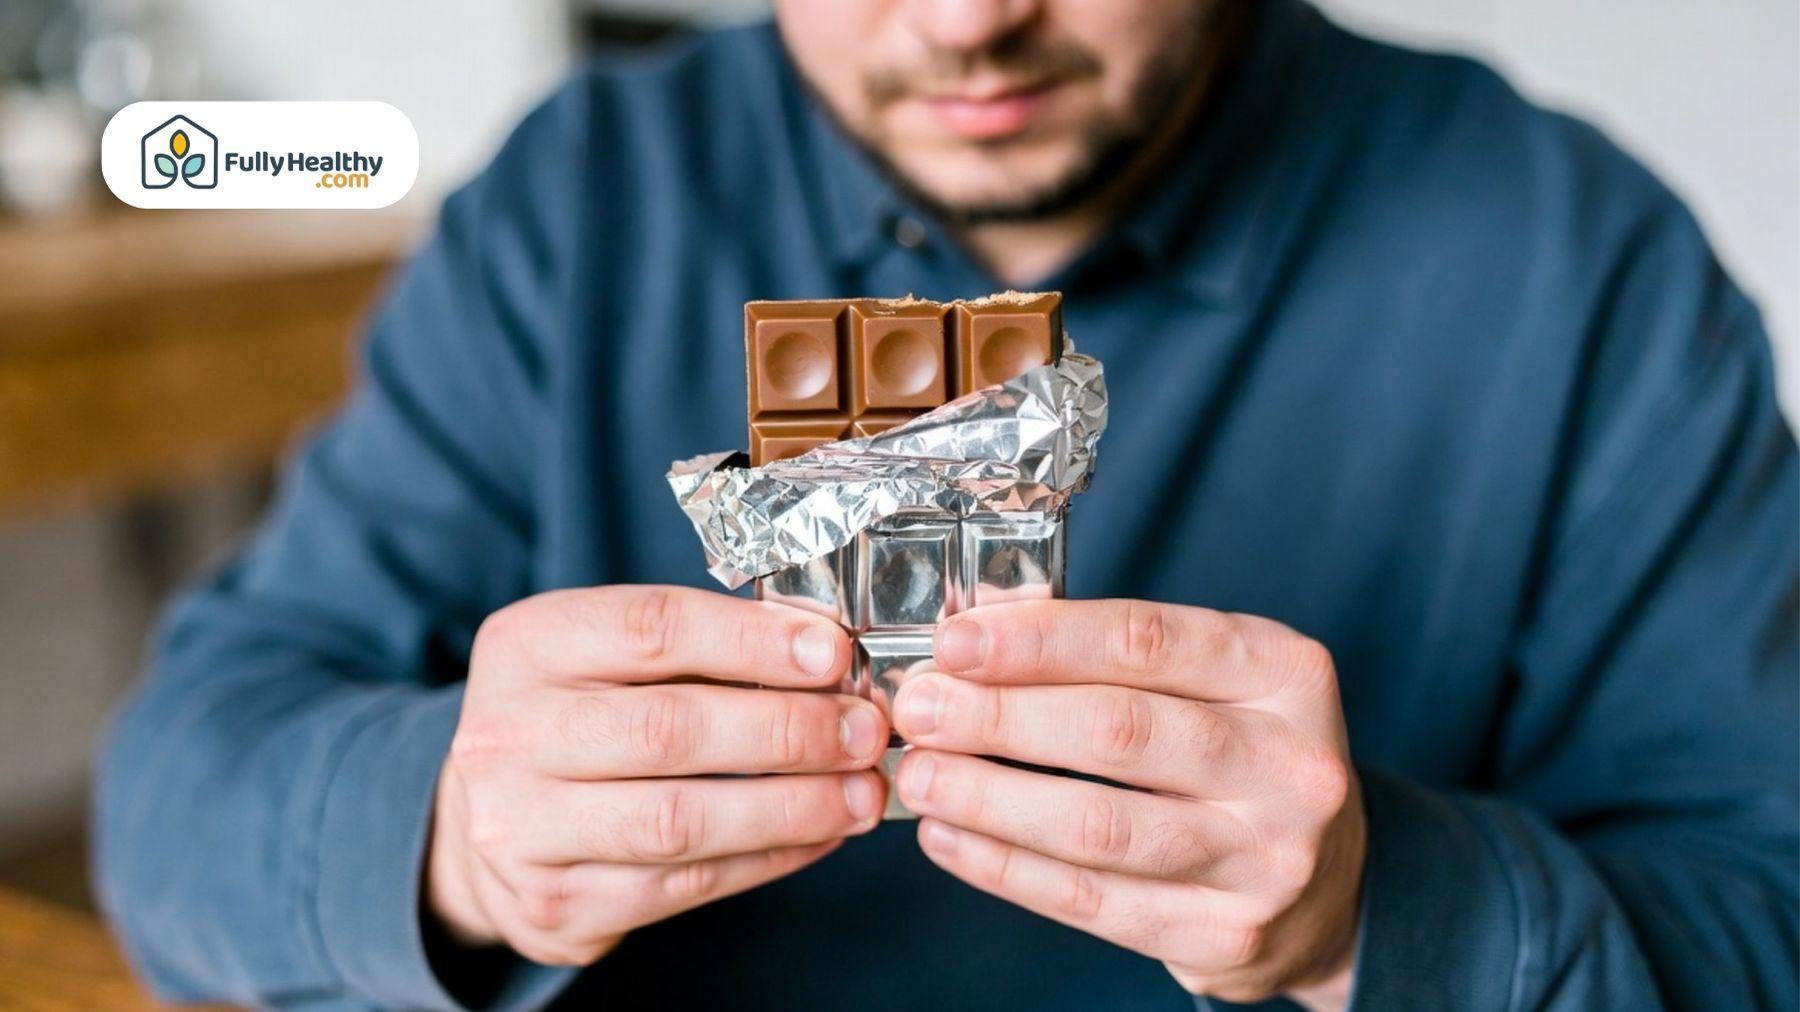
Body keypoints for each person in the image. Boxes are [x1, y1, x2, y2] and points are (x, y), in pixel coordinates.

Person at [95, 1, 1797, 1009]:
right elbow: (183, 785)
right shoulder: (576, 209)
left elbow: (1770, 913)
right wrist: (457, 843)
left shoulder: (1578, 263)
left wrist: (1380, 917)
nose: (973, 15)